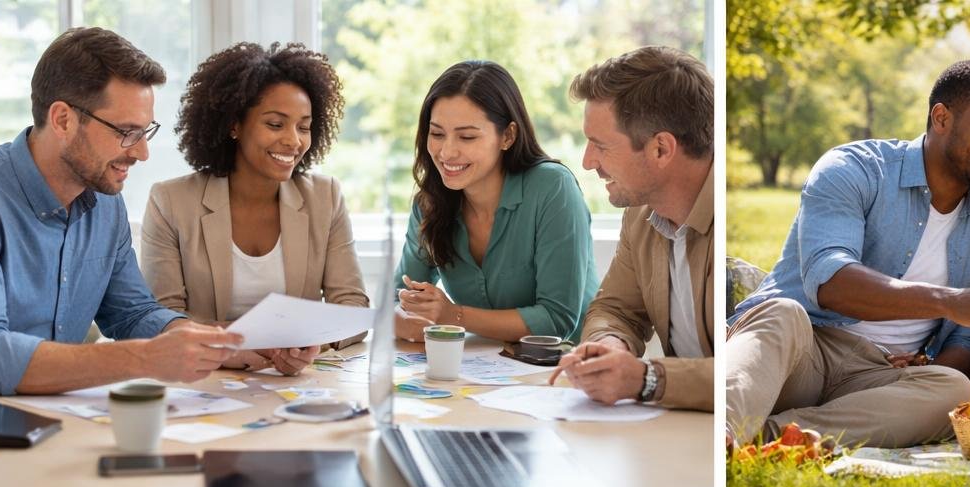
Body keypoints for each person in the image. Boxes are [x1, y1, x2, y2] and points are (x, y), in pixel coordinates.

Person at [724, 60, 970, 448]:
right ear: (941, 118)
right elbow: (831, 282)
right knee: (781, 313)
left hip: (878, 377)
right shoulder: (854, 169)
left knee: (954, 390)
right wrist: (950, 302)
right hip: (802, 353)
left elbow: (966, 344)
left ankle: (775, 438)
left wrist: (924, 371)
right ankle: (724, 434)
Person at [0, 27, 240, 396]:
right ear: (62, 120)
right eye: (126, 131)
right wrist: (143, 359)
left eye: (144, 132)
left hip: (56, 422)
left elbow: (132, 313)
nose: (141, 153)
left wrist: (226, 344)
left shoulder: (105, 201)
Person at [141, 42, 367, 371]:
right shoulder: (171, 202)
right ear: (234, 125)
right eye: (275, 124)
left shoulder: (325, 196)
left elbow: (353, 308)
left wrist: (310, 344)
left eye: (303, 127)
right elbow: (161, 316)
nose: (293, 140)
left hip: (296, 384)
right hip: (204, 380)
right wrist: (237, 346)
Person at [552, 46, 714, 411]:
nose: (588, 161)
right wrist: (610, 346)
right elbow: (615, 309)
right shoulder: (641, 214)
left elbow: (744, 369)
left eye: (601, 146)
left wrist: (645, 379)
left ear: (660, 149)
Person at [392, 61, 597, 345]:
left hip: (566, 366)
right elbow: (397, 299)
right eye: (437, 134)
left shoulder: (552, 187)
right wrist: (402, 319)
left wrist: (453, 315)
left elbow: (556, 319)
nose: (447, 151)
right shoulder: (430, 203)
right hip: (487, 371)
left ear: (508, 136)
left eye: (467, 136)